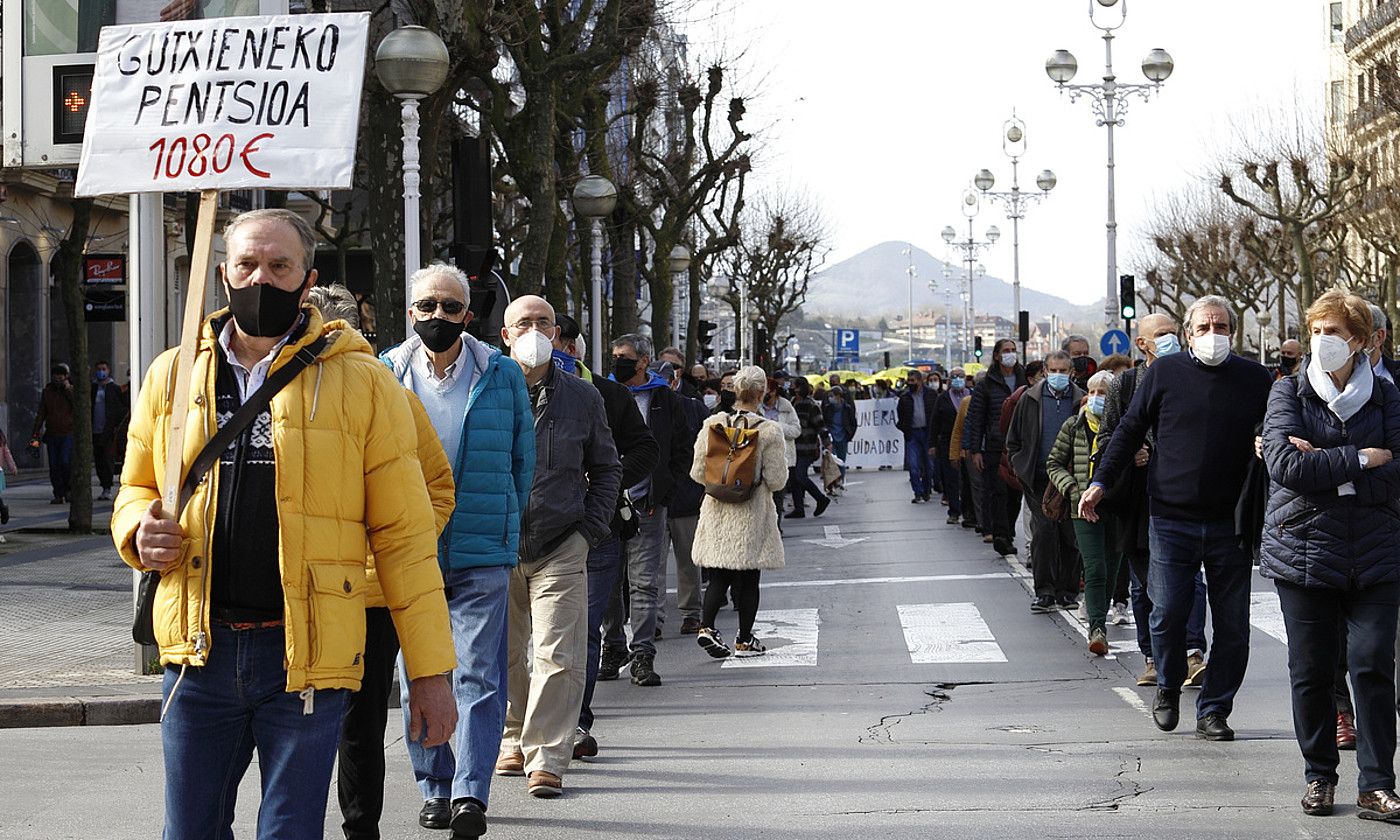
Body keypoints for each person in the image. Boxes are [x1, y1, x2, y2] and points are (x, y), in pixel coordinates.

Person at [112, 208, 457, 840]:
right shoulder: (174, 373)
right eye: (246, 265)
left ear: (307, 279)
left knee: (290, 831)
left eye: (278, 267)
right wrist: (138, 530)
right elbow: (136, 487)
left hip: (307, 657)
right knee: (188, 830)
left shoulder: (365, 384)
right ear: (222, 275)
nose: (260, 280)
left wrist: (430, 674)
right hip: (197, 651)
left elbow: (406, 540)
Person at [378, 265, 536, 838]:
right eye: (427, 306)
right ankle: (434, 786)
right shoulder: (385, 373)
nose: (437, 316)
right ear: (411, 312)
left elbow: (524, 463)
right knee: (417, 669)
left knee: (479, 674)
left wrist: (507, 531)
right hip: (409, 547)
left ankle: (471, 789)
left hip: (482, 547)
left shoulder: (502, 374)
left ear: (469, 314)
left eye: (450, 307)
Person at [1082, 294, 1272, 741]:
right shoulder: (1165, 374)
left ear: (1233, 332)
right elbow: (1129, 429)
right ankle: (1167, 684)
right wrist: (1101, 481)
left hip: (1231, 523)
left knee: (1232, 625)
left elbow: (1276, 424)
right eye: (1203, 328)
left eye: (1221, 326)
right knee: (1166, 613)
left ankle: (1214, 709)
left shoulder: (1254, 377)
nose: (1213, 335)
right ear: (1188, 335)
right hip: (1170, 518)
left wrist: (1269, 441)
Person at [1259, 290, 1400, 820]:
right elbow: (1286, 468)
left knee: (1371, 666)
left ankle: (1376, 785)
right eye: (1316, 331)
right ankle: (1319, 775)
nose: (1323, 342)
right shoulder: (1287, 394)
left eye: (1335, 333)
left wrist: (1328, 467)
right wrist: (1363, 458)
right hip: (1305, 550)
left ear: (1361, 341)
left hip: (1377, 549)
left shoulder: (1387, 398)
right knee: (1312, 671)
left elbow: (1399, 474)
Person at [496, 295, 622, 798]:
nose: (533, 330)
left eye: (542, 322)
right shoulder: (485, 391)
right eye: (522, 322)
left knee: (557, 652)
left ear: (558, 334)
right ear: (505, 335)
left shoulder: (582, 396)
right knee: (502, 652)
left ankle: (547, 755)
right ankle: (511, 738)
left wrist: (588, 530)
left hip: (561, 543)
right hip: (498, 542)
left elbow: (608, 467)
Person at [548, 315, 658, 761]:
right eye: (527, 328)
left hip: (594, 532)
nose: (537, 341)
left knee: (581, 630)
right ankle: (528, 724)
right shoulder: (506, 388)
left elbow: (645, 449)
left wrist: (605, 489)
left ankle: (575, 721)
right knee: (533, 635)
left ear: (571, 347)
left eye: (548, 332)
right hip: (525, 536)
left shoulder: (608, 395)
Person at [1096, 312, 1211, 688]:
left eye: (1173, 334)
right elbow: (1111, 435)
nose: (1170, 340)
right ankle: (1151, 658)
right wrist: (1132, 453)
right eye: (1161, 335)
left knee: (1189, 578)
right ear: (1143, 344)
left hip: (1182, 495)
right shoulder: (1126, 384)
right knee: (1143, 582)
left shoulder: (1192, 375)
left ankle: (1193, 653)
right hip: (1138, 497)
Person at [603, 333, 691, 686]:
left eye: (623, 356)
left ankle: (642, 653)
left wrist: (665, 490)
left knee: (644, 583)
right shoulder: (601, 392)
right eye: (613, 355)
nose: (616, 362)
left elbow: (681, 447)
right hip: (606, 504)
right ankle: (613, 646)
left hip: (648, 505)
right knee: (608, 582)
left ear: (642, 361)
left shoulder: (664, 399)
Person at [692, 365, 789, 658]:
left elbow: (698, 472)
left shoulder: (713, 425)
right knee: (749, 579)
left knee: (718, 573)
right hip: (752, 512)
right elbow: (777, 480)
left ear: (733, 390)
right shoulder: (769, 431)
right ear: (761, 392)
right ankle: (744, 639)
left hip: (717, 511)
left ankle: (706, 627)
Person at [1047, 370, 1121, 654]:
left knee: (1112, 567)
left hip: (1115, 506)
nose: (1096, 398)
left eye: (1103, 393)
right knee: (1095, 566)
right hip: (1082, 508)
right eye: (1092, 392)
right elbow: (1053, 463)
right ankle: (1097, 628)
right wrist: (1073, 491)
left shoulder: (1123, 427)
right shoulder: (1073, 426)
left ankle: (1100, 613)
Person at [1007, 351, 1085, 610]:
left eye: (1064, 371)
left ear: (1071, 372)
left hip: (1072, 479)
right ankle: (1045, 592)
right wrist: (1020, 466)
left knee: (1070, 536)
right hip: (1039, 478)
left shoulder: (1080, 399)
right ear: (1044, 370)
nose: (1059, 375)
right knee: (1043, 535)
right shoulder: (1029, 399)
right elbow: (1014, 438)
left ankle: (1067, 591)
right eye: (1054, 370)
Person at [965, 340, 1027, 555]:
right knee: (998, 492)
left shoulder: (1024, 379)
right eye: (1006, 351)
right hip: (995, 446)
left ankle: (1008, 530)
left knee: (1015, 494)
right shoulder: (986, 384)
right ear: (997, 356)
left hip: (1020, 447)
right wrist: (975, 450)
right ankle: (1002, 535)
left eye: (1013, 350)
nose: (1010, 354)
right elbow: (976, 419)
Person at [32, 363, 75, 504]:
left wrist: (68, 389)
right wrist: (35, 433)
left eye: (61, 375)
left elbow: (77, 405)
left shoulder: (70, 390)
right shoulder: (48, 392)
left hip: (67, 433)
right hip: (52, 434)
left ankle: (68, 489)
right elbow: (41, 413)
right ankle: (58, 493)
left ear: (66, 377)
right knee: (54, 465)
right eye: (56, 375)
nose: (58, 378)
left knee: (65, 462)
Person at [787, 378, 831, 518]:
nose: (791, 388)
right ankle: (798, 508)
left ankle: (821, 499)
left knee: (800, 476)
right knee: (794, 478)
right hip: (793, 448)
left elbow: (820, 425)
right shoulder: (792, 403)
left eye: (793, 386)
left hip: (807, 447)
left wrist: (827, 442)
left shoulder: (810, 405)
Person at [932, 368, 970, 525]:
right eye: (954, 377)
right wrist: (932, 444)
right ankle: (954, 510)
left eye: (961, 376)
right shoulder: (943, 398)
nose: (958, 379)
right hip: (948, 442)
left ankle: (969, 512)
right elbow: (935, 422)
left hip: (968, 442)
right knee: (951, 478)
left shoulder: (972, 395)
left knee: (967, 479)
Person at [896, 370, 939, 504]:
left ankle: (926, 490)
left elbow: (936, 413)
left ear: (920, 381)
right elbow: (901, 417)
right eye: (908, 381)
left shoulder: (931, 395)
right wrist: (906, 430)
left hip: (928, 433)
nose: (910, 383)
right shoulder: (904, 398)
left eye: (913, 381)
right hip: (913, 434)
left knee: (929, 465)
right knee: (913, 465)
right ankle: (918, 492)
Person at [89, 360, 128, 501]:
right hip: (95, 430)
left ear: (108, 370)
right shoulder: (92, 389)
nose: (101, 372)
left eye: (103, 369)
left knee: (107, 459)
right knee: (98, 459)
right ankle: (104, 484)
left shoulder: (114, 389)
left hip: (109, 431)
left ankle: (107, 486)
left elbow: (121, 410)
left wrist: (115, 427)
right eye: (99, 369)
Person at [822, 385, 858, 479]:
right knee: (832, 461)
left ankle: (840, 481)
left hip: (843, 437)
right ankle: (833, 483)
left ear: (838, 396)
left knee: (841, 461)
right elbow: (824, 422)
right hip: (831, 437)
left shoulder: (847, 408)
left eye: (832, 395)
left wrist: (849, 435)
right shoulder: (827, 408)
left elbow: (853, 423)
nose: (830, 398)